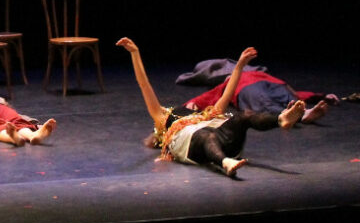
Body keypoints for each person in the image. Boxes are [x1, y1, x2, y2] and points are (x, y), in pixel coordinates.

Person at [116, 37, 305, 177]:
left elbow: (227, 95)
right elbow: (144, 84)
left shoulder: (208, 115)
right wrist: (135, 53)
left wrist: (239, 65)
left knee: (244, 115)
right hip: (198, 146)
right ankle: (225, 163)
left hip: (226, 142)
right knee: (206, 135)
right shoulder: (166, 120)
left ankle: (281, 119)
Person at [184, 70, 337, 124]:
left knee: (270, 103)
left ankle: (301, 114)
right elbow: (210, 96)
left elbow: (210, 96)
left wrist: (190, 104)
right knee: (284, 99)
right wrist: (321, 96)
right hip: (272, 86)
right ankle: (303, 113)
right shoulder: (233, 81)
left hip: (258, 88)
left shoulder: (232, 81)